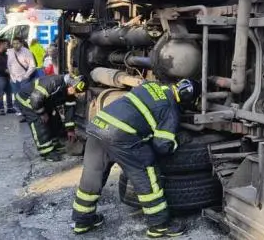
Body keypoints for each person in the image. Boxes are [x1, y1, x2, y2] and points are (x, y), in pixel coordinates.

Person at [71, 79, 199, 237]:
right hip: (120, 135)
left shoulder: (152, 85)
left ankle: (82, 221)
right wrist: (177, 143)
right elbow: (162, 146)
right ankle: (159, 225)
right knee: (146, 172)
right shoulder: (171, 109)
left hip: (98, 125)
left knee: (92, 176)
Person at [15, 74, 87, 162]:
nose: (74, 93)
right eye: (75, 90)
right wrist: (42, 113)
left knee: (54, 119)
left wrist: (70, 130)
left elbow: (69, 110)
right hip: (28, 100)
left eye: (77, 92)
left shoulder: (70, 92)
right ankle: (46, 152)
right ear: (71, 84)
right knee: (39, 123)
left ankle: (54, 143)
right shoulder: (53, 82)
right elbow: (35, 98)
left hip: (44, 101)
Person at [7, 38, 36, 121]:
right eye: (14, 43)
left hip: (24, 78)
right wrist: (11, 76)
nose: (15, 45)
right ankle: (23, 114)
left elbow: (32, 66)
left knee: (25, 97)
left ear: (21, 44)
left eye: (17, 43)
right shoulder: (10, 52)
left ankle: (28, 114)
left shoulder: (26, 52)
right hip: (14, 79)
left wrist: (26, 76)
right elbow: (9, 65)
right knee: (17, 97)